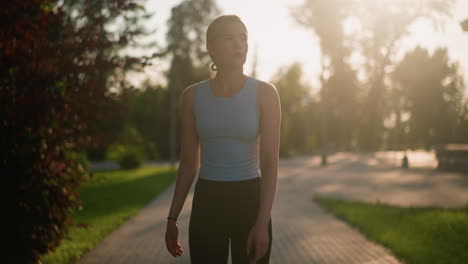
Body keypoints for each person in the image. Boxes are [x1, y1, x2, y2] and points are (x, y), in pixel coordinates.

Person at [164, 14, 281, 264]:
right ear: (211, 48)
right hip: (208, 202)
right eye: (229, 38)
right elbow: (188, 164)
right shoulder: (192, 97)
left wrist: (262, 222)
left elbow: (270, 162)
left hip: (250, 200)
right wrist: (172, 219)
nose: (239, 45)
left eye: (243, 38)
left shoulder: (265, 94)